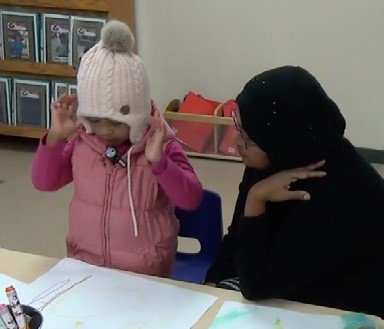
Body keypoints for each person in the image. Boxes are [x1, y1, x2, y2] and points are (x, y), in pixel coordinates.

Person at [204, 66, 384, 318]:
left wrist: (256, 199)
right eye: (239, 127)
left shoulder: (344, 193)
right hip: (285, 289)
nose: (235, 142)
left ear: (281, 140)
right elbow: (238, 237)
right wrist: (211, 286)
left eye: (246, 137)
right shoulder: (271, 157)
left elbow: (255, 286)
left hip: (340, 309)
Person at [31, 20, 203, 277]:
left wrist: (160, 164)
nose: (106, 131)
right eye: (96, 120)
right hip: (86, 268)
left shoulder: (160, 142)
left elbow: (191, 199)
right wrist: (55, 138)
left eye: (116, 122)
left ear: (139, 114)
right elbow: (44, 182)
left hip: (144, 274)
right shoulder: (82, 141)